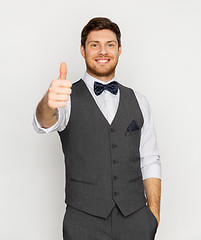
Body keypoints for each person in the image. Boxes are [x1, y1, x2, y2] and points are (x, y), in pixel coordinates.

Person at [33, 17, 161, 240]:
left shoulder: (139, 100)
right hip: (83, 221)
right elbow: (44, 122)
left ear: (119, 50)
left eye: (110, 44)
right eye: (94, 45)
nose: (103, 51)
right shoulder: (67, 98)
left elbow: (150, 159)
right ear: (82, 50)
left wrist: (153, 216)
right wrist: (48, 101)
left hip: (136, 220)